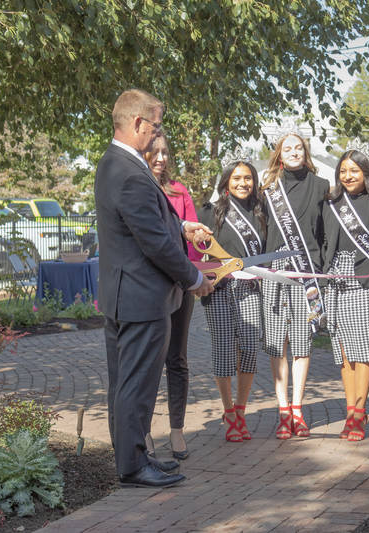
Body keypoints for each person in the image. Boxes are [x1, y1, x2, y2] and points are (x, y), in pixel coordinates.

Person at [95, 89, 214, 488]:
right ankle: (131, 466)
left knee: (125, 384)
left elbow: (139, 222)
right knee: (136, 386)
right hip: (142, 298)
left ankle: (134, 456)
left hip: (124, 295)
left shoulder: (115, 164)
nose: (158, 133)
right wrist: (195, 278)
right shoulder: (129, 171)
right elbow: (153, 243)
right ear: (137, 124)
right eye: (156, 125)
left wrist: (180, 225)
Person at [261, 124, 329, 439]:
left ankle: (298, 410)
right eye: (287, 149)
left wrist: (322, 270)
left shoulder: (321, 185)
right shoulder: (268, 188)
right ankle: (283, 410)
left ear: (305, 152)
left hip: (307, 272)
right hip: (275, 270)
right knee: (279, 343)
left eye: (298, 148)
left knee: (302, 343)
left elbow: (325, 233)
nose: (293, 153)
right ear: (279, 154)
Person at [197, 148, 265, 443]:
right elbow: (196, 252)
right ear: (226, 182)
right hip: (219, 290)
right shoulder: (208, 212)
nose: (242, 183)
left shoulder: (261, 213)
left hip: (251, 289)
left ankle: (241, 407)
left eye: (247, 177)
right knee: (224, 351)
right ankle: (230, 412)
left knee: (249, 349)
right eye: (237, 177)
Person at [323, 140, 369, 441]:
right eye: (344, 171)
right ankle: (351, 410)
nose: (348, 176)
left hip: (366, 280)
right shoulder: (332, 204)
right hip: (338, 279)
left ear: (366, 172)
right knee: (345, 351)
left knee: (364, 350)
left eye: (355, 170)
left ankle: (360, 414)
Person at [143, 133, 200, 460]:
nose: (161, 157)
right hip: (151, 286)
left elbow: (191, 240)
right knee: (150, 360)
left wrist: (195, 276)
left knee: (176, 359)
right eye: (155, 151)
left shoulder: (180, 192)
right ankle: (144, 431)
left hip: (181, 283)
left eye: (166, 151)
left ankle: (176, 429)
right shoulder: (140, 189)